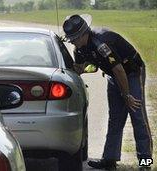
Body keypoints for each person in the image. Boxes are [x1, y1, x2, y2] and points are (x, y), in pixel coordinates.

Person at [62, 14, 153, 170]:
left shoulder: (102, 42)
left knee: (137, 115)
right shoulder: (79, 49)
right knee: (115, 118)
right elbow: (82, 68)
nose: (72, 42)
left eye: (74, 38)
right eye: (70, 39)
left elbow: (119, 70)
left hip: (131, 72)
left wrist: (127, 95)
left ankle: (145, 162)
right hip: (114, 76)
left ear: (84, 34)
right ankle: (109, 160)